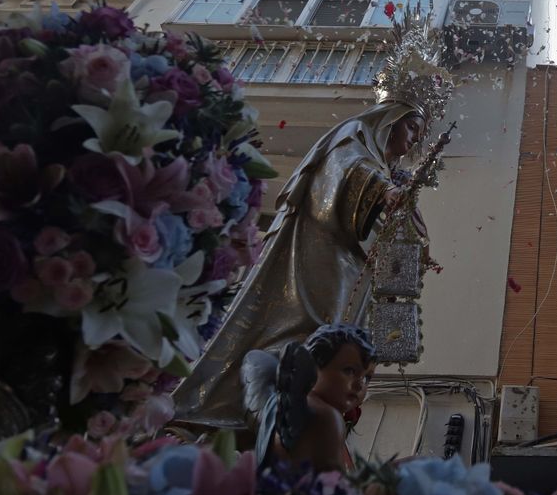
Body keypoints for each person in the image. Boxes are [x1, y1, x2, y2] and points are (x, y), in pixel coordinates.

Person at [172, 100, 427, 429]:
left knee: (337, 332)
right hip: (323, 248)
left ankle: (301, 403)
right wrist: (383, 191)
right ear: (389, 120)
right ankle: (269, 393)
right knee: (312, 324)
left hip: (354, 262)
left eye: (419, 133)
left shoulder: (386, 168)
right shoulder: (356, 135)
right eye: (411, 127)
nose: (414, 139)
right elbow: (342, 169)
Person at [241, 323, 377, 472]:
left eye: (366, 378)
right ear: (313, 365)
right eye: (350, 371)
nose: (359, 385)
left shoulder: (287, 408)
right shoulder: (327, 418)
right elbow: (336, 488)